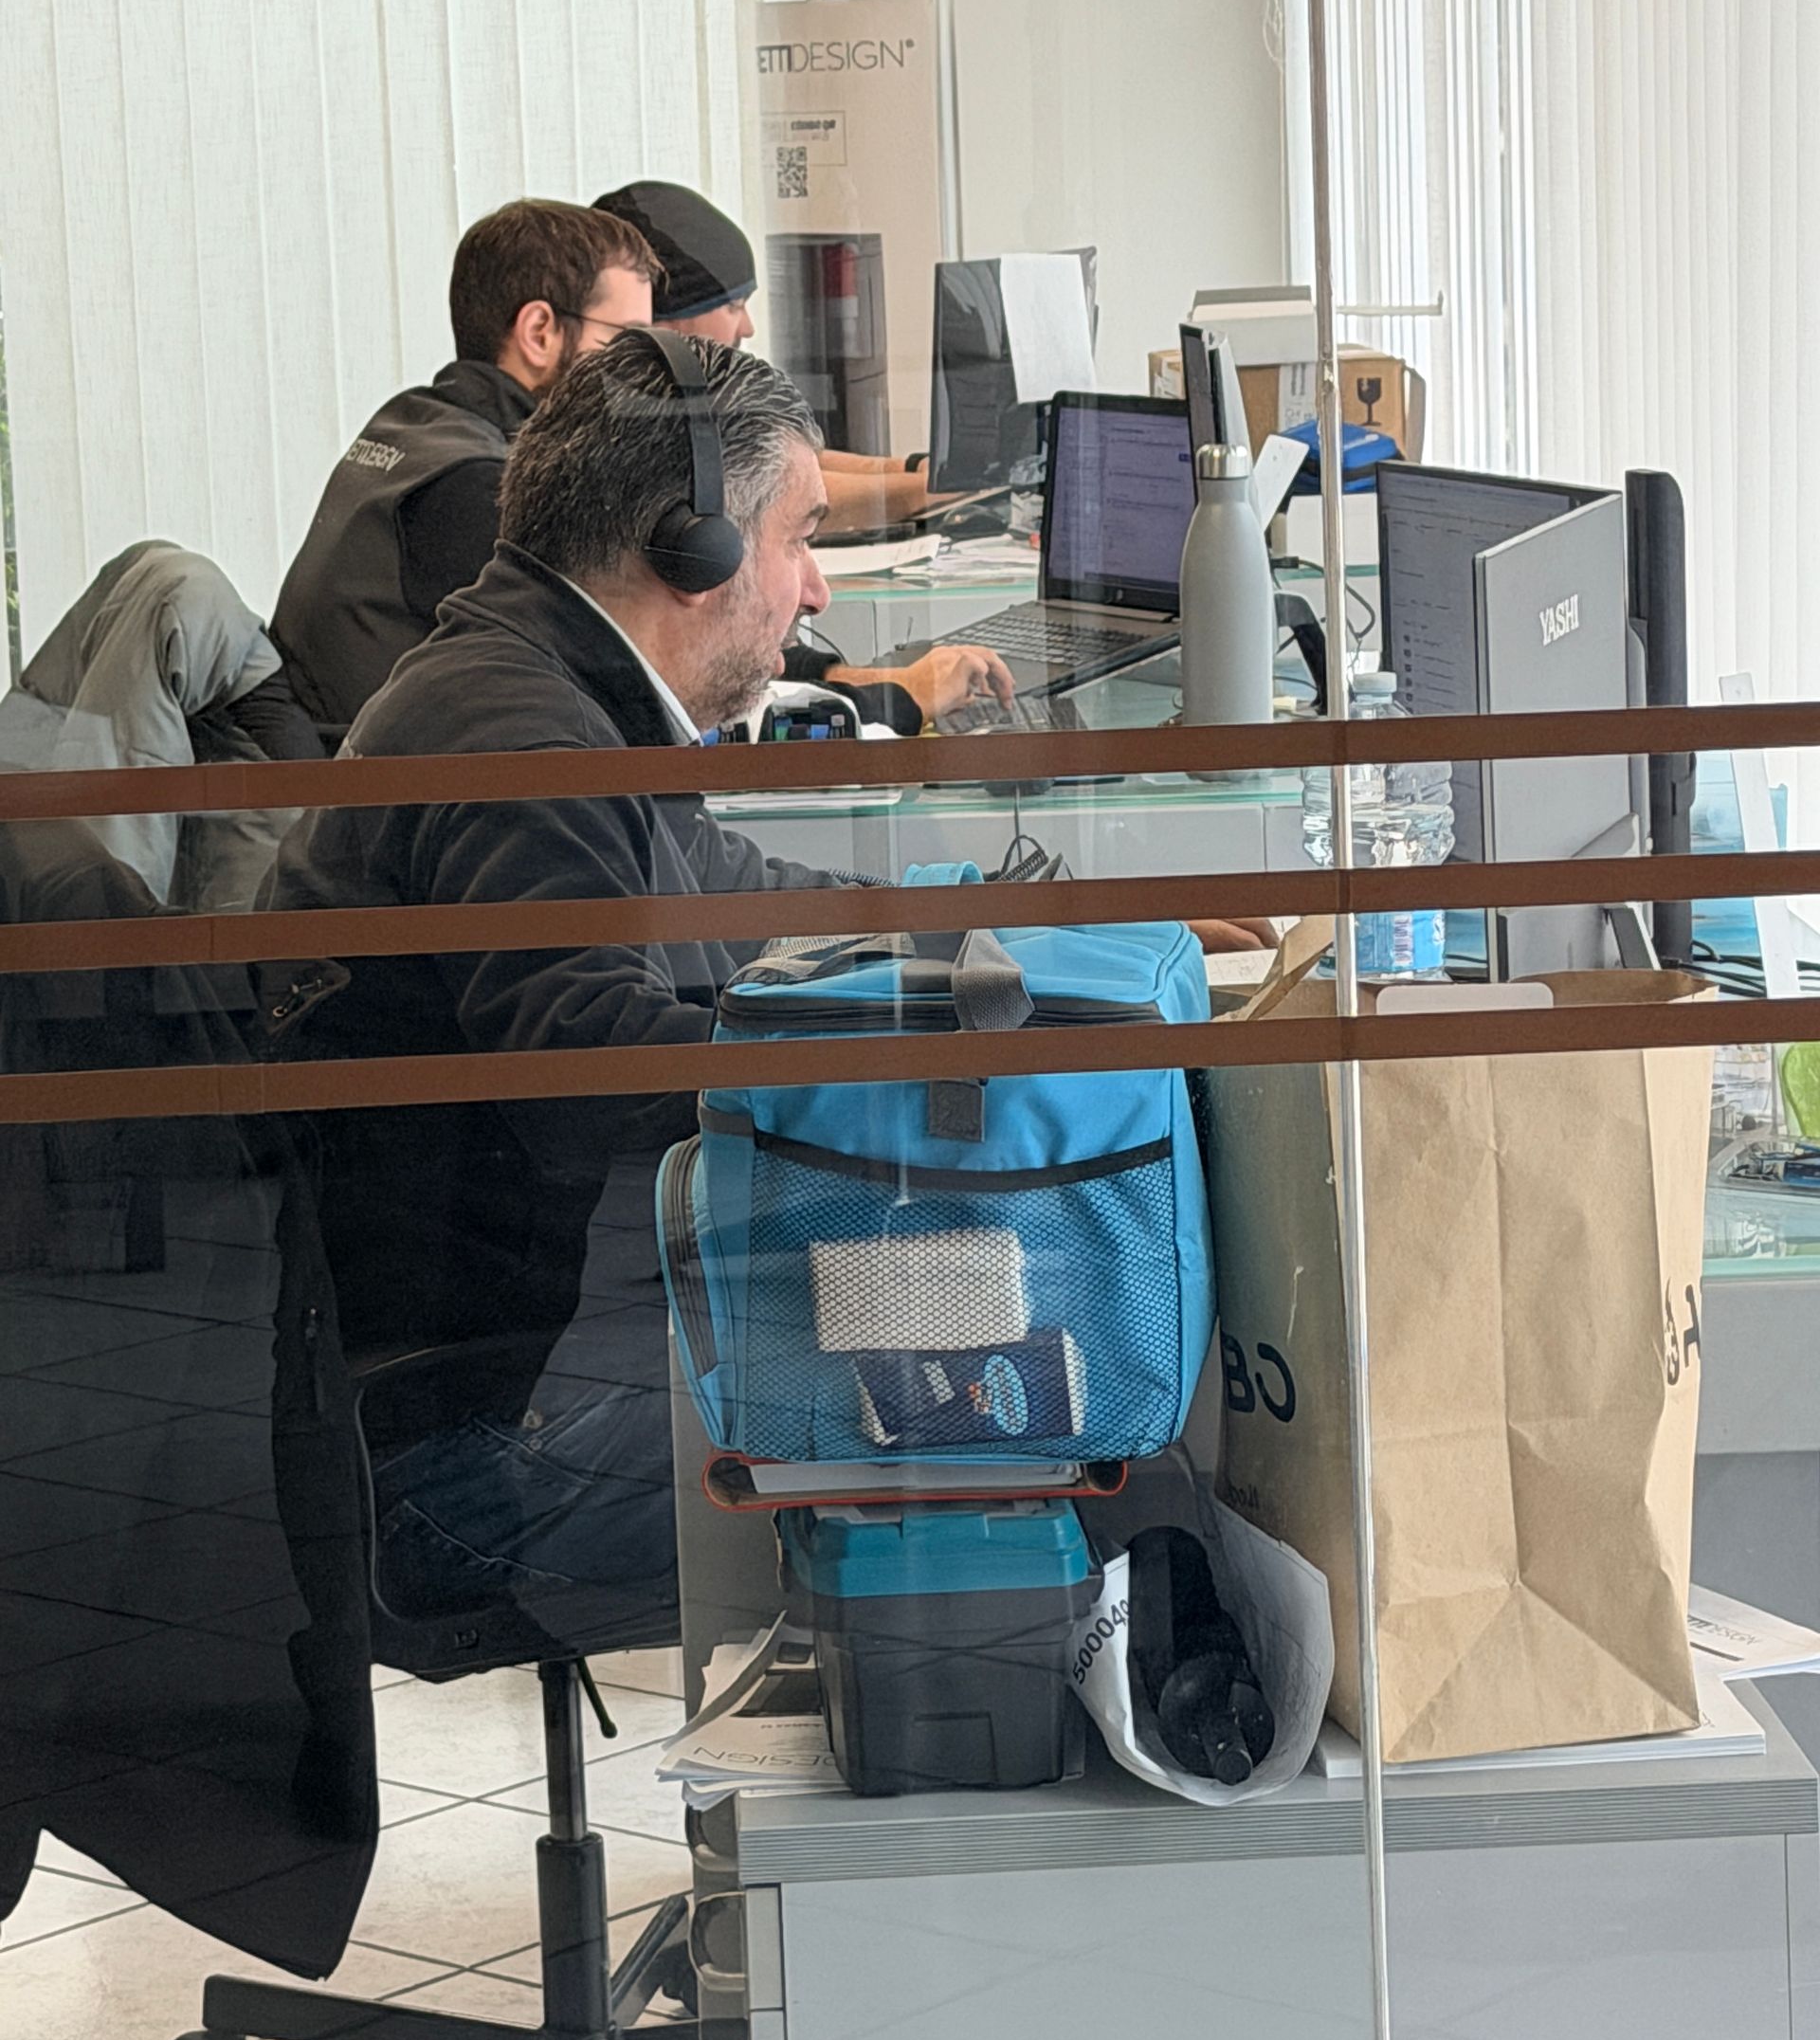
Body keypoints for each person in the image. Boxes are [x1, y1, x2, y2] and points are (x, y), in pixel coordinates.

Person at [264, 333, 1272, 1631]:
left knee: (1008, 1335)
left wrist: (1021, 933)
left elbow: (743, 895)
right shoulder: (519, 736)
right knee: (1058, 1420)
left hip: (497, 1372)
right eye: (800, 539)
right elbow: (588, 1064)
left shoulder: (542, 687)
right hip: (459, 1462)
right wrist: (914, 1049)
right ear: (692, 549)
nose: (816, 591)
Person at [273, 193, 1008, 744]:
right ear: (539, 331)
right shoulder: (475, 488)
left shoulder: (420, 424)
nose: (643, 369)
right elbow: (648, 683)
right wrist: (890, 699)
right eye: (628, 339)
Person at [593, 180, 954, 539]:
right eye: (733, 307)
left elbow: (785, 455)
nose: (747, 328)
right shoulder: (633, 412)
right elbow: (777, 495)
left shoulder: (690, 393)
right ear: (660, 318)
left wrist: (914, 467)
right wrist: (932, 489)